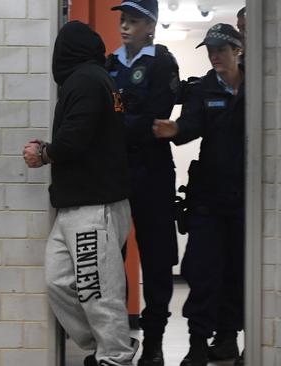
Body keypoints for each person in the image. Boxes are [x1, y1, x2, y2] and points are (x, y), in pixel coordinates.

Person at [23, 20, 136, 366]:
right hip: (78, 204)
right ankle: (104, 346)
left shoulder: (86, 80)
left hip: (93, 204)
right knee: (59, 281)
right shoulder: (93, 79)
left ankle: (115, 356)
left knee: (97, 289)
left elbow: (75, 137)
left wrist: (43, 153)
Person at [153, 23, 245, 366]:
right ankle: (196, 343)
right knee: (204, 270)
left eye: (220, 49)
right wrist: (176, 129)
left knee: (238, 272)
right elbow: (191, 124)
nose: (214, 55)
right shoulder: (204, 89)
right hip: (208, 198)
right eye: (210, 50)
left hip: (244, 200)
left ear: (237, 50)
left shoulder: (256, 86)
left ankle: (227, 339)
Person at [106, 1, 180, 365]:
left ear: (151, 26)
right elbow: (109, 115)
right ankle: (117, 339)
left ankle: (154, 341)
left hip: (153, 172)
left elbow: (157, 116)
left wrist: (119, 123)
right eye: (122, 20)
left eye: (133, 21)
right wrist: (129, 121)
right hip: (117, 172)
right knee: (110, 260)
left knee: (156, 260)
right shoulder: (109, 64)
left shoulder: (163, 62)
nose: (124, 27)